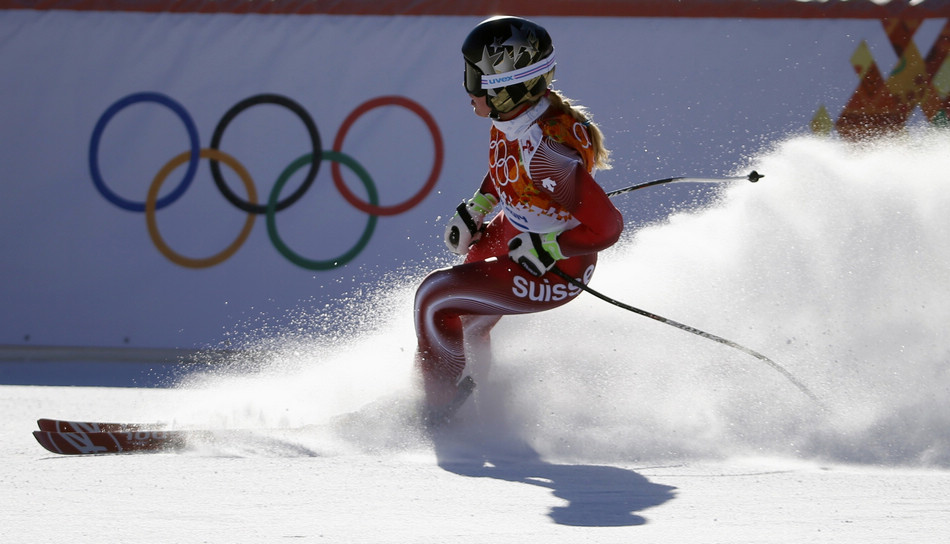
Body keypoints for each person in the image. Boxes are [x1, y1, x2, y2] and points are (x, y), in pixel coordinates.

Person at [414, 15, 624, 423]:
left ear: (507, 88)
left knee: (434, 298)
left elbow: (607, 227)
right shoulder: (516, 117)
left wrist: (548, 246)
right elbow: (506, 166)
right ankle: (476, 392)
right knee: (467, 305)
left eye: (475, 78)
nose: (467, 88)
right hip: (520, 233)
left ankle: (437, 412)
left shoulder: (546, 153)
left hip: (557, 269)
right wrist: (478, 206)